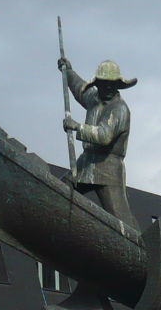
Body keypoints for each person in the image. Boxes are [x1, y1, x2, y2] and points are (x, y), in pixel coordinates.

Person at [57, 56, 139, 229]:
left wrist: (77, 127)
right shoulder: (94, 98)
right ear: (98, 84)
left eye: (112, 84)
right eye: (104, 84)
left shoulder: (120, 109)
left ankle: (141, 250)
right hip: (87, 163)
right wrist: (68, 71)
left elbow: (104, 136)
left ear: (118, 85)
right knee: (61, 189)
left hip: (108, 168)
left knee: (121, 220)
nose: (108, 88)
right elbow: (79, 88)